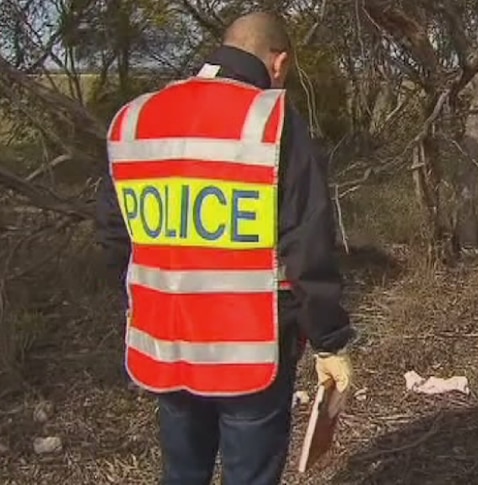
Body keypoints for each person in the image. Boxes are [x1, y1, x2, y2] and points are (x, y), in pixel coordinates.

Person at [94, 11, 355, 485]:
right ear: (279, 63)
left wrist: (147, 302)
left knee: (182, 472)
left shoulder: (134, 119)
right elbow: (307, 243)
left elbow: (116, 237)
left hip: (165, 339)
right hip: (248, 349)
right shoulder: (274, 121)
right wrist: (329, 339)